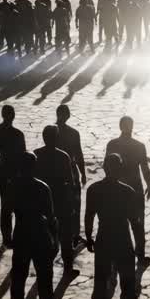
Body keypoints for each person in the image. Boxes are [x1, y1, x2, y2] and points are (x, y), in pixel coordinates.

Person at [85, 153, 145, 299]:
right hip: (123, 239)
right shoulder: (127, 191)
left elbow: (89, 216)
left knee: (101, 281)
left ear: (104, 168)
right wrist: (140, 247)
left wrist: (89, 237)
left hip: (104, 238)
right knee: (127, 283)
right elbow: (135, 222)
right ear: (120, 169)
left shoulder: (94, 189)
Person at [9, 152, 64, 299]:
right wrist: (55, 238)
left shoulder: (13, 186)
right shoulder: (42, 187)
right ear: (34, 166)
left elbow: (5, 214)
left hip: (21, 233)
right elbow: (51, 216)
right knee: (44, 277)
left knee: (19, 275)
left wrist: (6, 235)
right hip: (39, 234)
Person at [105, 115, 150, 264]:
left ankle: (116, 255)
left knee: (117, 222)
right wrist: (148, 184)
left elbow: (106, 166)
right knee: (138, 223)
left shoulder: (113, 144)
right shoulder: (138, 146)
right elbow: (144, 168)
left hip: (117, 188)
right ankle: (140, 255)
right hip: (134, 188)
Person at [35, 124, 79, 274]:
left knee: (45, 236)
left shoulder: (36, 154)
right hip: (60, 200)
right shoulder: (63, 156)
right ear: (56, 138)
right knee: (66, 236)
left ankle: (45, 268)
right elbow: (70, 182)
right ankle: (68, 267)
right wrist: (72, 202)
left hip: (42, 201)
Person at [0, 105, 25, 244]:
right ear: (13, 116)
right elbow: (23, 155)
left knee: (5, 203)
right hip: (16, 169)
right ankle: (17, 234)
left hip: (3, 168)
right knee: (17, 203)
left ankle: (6, 237)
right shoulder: (18, 134)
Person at [55, 104, 86, 249]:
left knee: (58, 203)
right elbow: (78, 154)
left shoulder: (51, 131)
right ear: (68, 115)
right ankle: (74, 234)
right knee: (75, 204)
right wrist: (83, 172)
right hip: (70, 171)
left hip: (55, 172)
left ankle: (59, 233)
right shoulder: (73, 133)